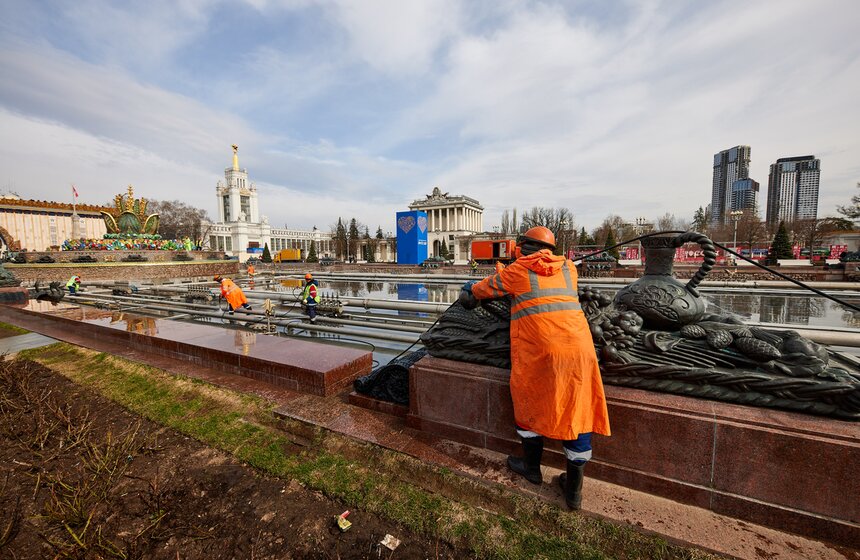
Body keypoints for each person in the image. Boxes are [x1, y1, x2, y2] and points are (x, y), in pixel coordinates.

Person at [458, 226, 610, 510]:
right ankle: (574, 492)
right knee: (577, 410)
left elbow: (481, 290)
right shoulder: (569, 270)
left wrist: (469, 290)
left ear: (523, 247)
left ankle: (531, 469)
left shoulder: (518, 271)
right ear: (550, 249)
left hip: (541, 352)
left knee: (528, 400)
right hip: (580, 351)